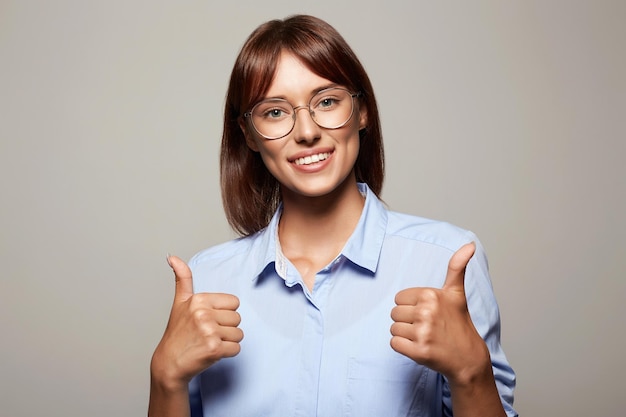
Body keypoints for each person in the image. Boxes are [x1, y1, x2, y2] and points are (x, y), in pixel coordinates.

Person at [149, 14, 517, 417]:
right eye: (275, 112)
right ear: (249, 135)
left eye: (326, 101)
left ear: (362, 112)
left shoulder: (445, 261)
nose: (306, 131)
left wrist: (472, 373)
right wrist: (165, 379)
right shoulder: (208, 279)